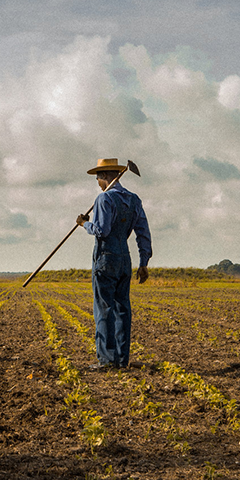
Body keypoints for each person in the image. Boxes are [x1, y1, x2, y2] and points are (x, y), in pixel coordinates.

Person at [76, 158, 151, 369]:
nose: (98, 182)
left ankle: (107, 360)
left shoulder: (104, 198)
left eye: (98, 178)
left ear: (107, 176)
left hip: (105, 258)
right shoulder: (134, 200)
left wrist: (84, 224)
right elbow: (143, 232)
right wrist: (144, 262)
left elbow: (101, 231)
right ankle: (121, 359)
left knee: (103, 309)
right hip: (125, 260)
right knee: (122, 309)